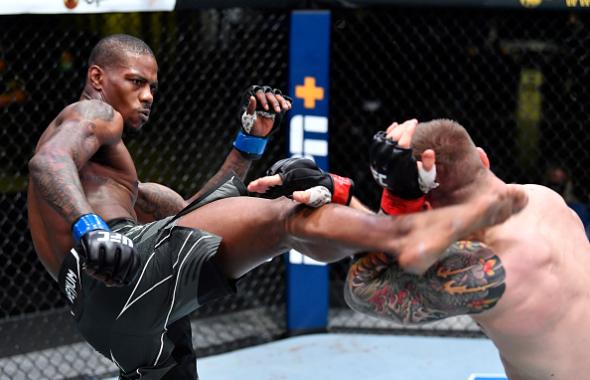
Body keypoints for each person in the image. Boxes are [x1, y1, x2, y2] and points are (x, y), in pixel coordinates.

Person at [27, 34, 525, 379]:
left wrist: (247, 144)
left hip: (110, 318)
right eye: (137, 81)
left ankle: (375, 247)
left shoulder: (124, 189)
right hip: (117, 272)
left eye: (153, 85)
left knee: (218, 212)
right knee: (289, 215)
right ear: (97, 76)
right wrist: (92, 228)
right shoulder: (92, 114)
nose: (149, 95)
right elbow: (47, 162)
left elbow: (197, 218)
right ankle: (402, 234)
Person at [344, 119, 590, 380]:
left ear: (426, 211)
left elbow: (360, 289)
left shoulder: (480, 269)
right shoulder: (542, 197)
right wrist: (349, 202)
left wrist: (397, 204)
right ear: (483, 159)